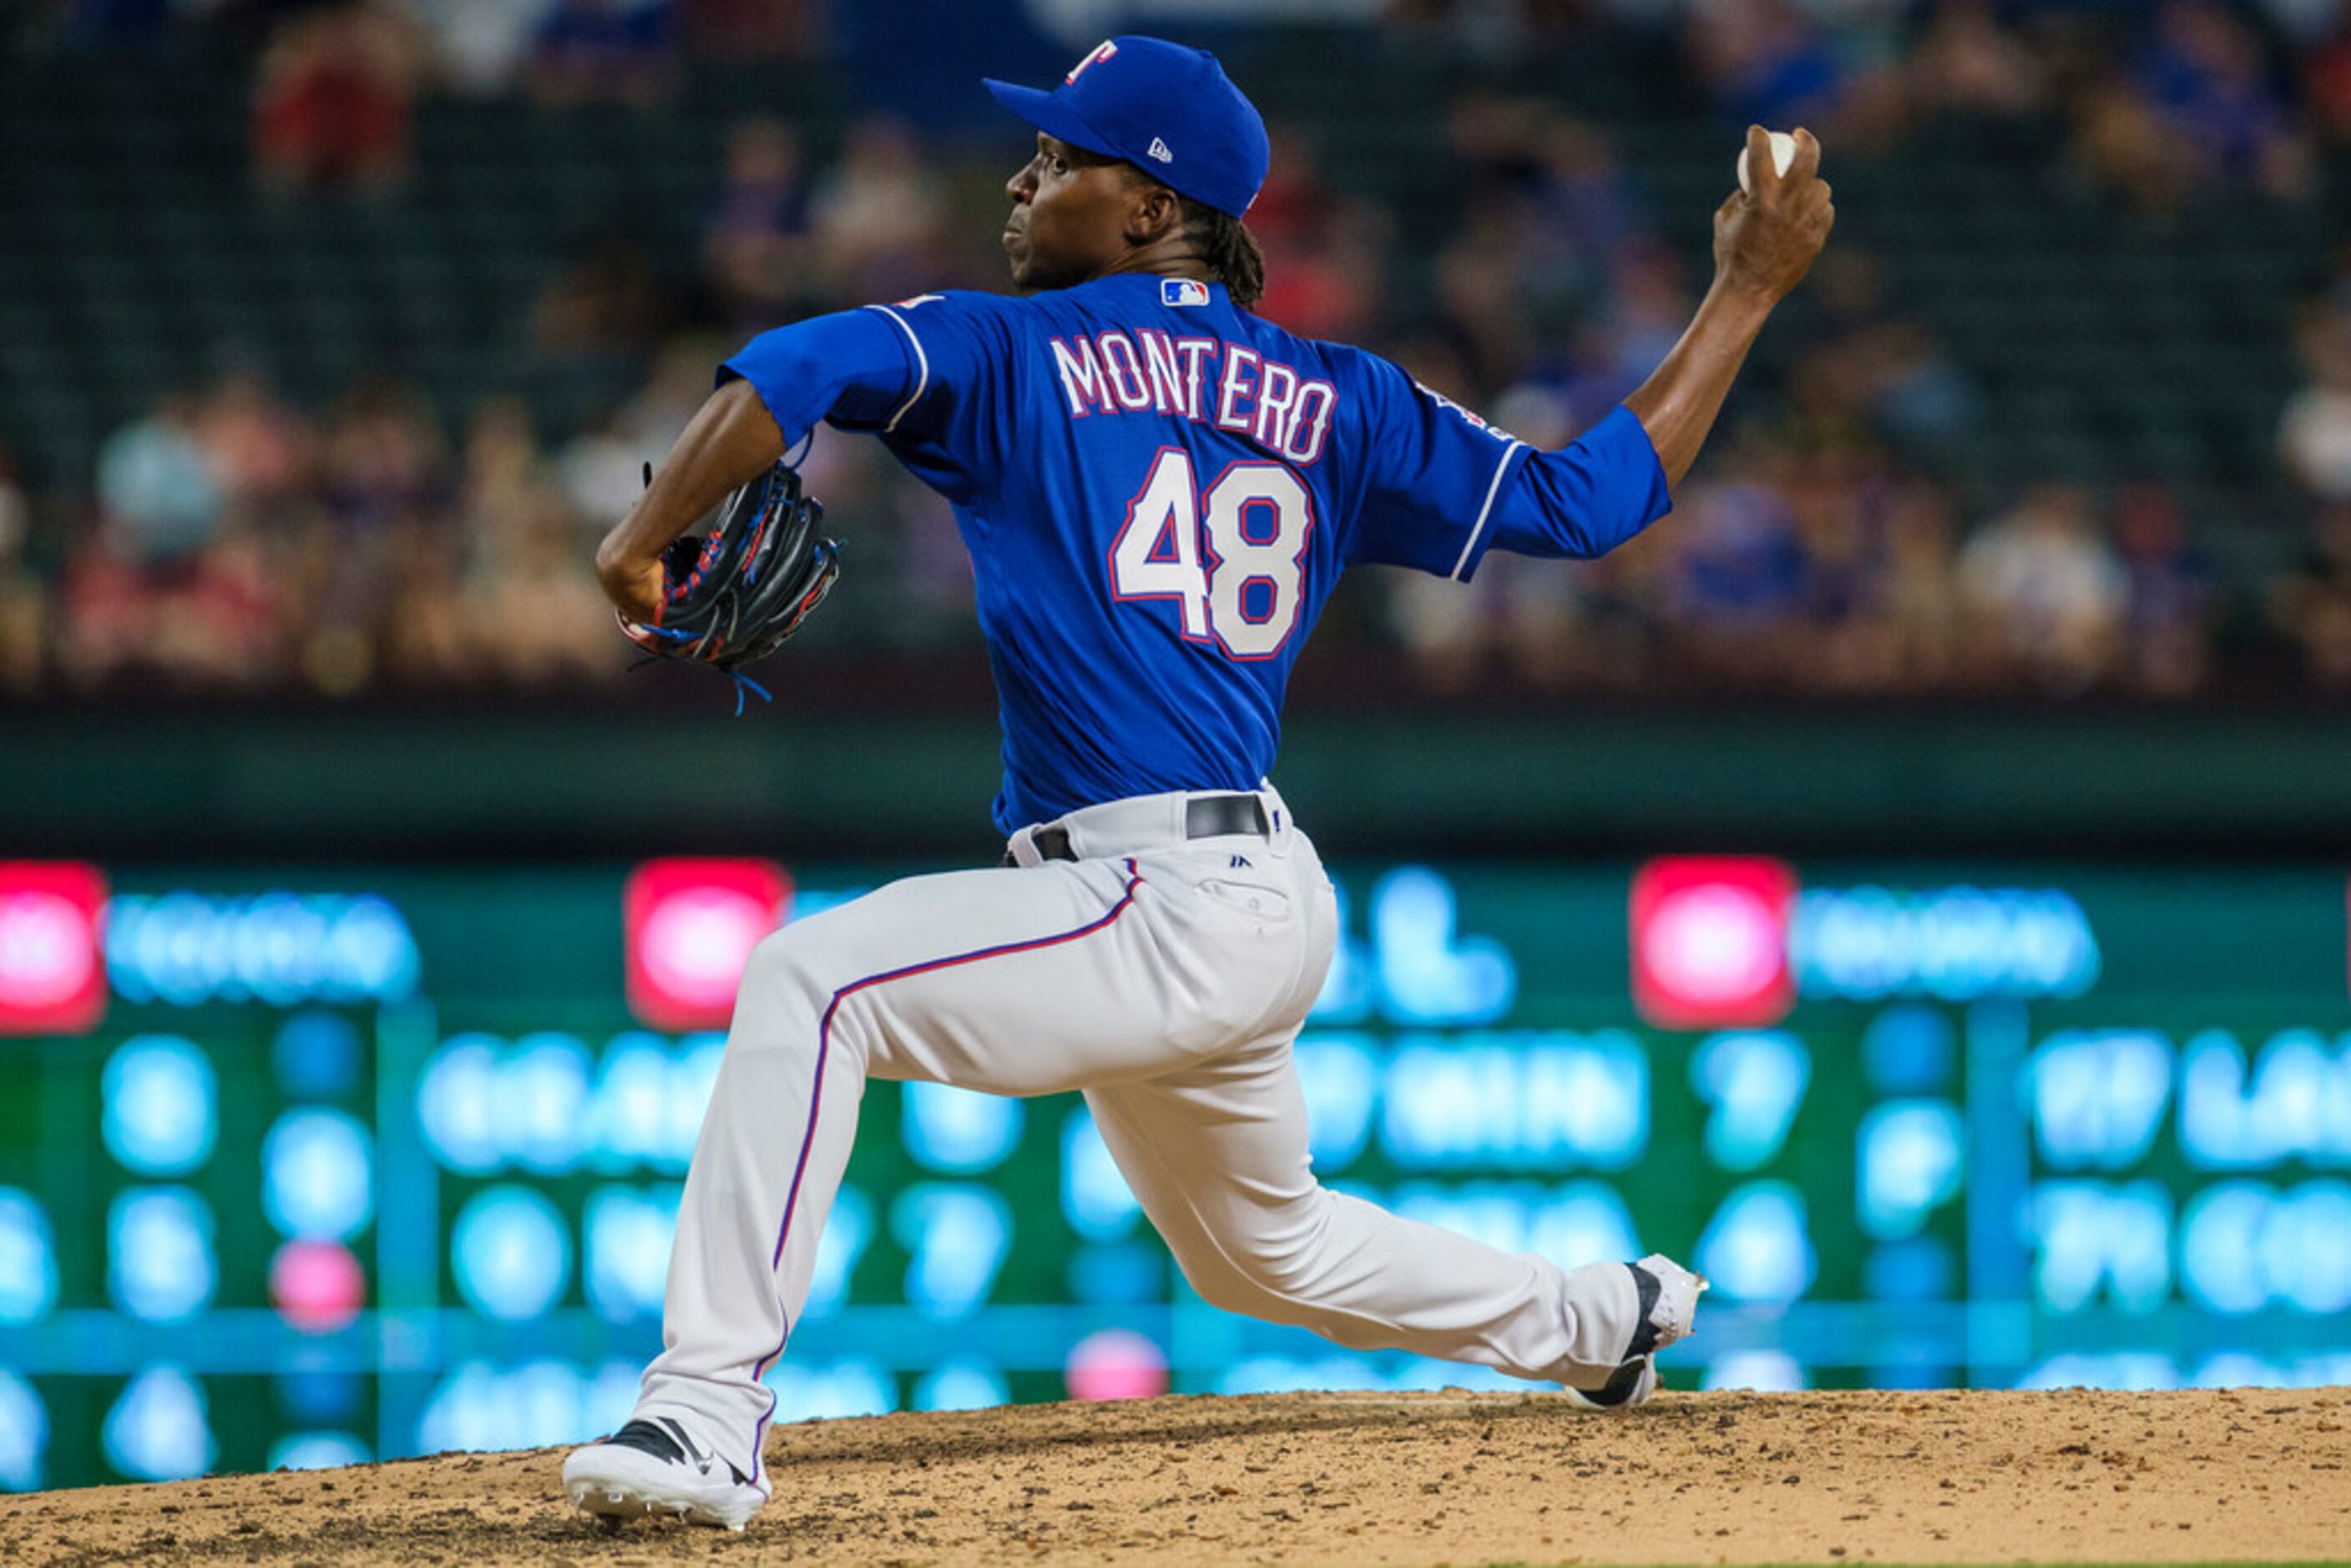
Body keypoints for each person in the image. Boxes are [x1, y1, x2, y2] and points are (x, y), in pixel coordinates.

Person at [562, 36, 1833, 1531]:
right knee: (1260, 1251)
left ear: (1154, 209)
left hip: (1153, 897)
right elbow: (1592, 498)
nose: (1026, 183)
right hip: (1251, 891)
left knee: (812, 980)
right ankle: (1598, 1318)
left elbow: (804, 362)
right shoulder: (1342, 393)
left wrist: (646, 529)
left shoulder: (1010, 348)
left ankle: (709, 1410)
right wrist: (1747, 288)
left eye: (1063, 160)